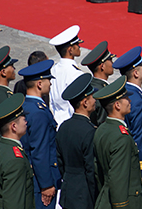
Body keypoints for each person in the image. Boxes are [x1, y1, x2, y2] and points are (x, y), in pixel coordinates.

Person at [93, 76, 142, 209]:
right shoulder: (121, 137)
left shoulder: (102, 129)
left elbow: (98, 171)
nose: (129, 101)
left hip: (105, 196)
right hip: (125, 202)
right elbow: (118, 178)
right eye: (126, 98)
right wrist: (120, 205)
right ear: (117, 105)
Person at [113, 47, 142, 207]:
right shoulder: (137, 100)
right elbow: (141, 137)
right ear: (136, 73)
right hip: (137, 170)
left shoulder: (124, 93)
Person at [18, 60, 60, 209]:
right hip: (40, 182)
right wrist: (46, 184)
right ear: (39, 84)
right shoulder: (39, 112)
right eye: (48, 80)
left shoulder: (26, 106)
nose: (50, 83)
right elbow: (40, 150)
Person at [56, 73, 98, 209]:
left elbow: (60, 161)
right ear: (85, 102)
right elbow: (91, 169)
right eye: (92, 97)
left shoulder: (64, 126)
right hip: (84, 195)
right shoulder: (89, 131)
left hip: (68, 192)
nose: (95, 100)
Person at [0, 93, 33, 208]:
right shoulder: (15, 159)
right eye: (24, 119)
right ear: (14, 126)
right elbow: (14, 202)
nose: (26, 122)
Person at [48, 25, 87, 126]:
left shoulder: (53, 70)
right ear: (70, 50)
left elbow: (51, 100)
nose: (79, 47)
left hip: (57, 121)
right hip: (72, 123)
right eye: (77, 44)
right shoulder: (75, 73)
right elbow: (74, 104)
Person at [82, 41, 116, 126]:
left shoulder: (92, 85)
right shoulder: (103, 92)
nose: (112, 63)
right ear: (102, 66)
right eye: (110, 60)